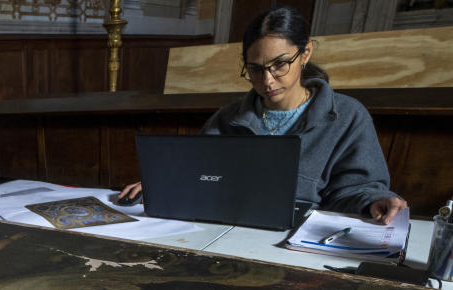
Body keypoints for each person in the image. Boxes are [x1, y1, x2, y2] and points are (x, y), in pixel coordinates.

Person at [119, 6, 407, 224]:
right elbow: (201, 174)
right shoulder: (227, 118)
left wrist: (375, 200)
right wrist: (164, 182)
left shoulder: (347, 115)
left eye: (280, 64)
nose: (267, 81)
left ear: (305, 53)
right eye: (255, 69)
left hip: (301, 234)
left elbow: (356, 187)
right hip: (230, 227)